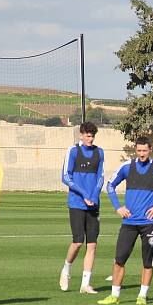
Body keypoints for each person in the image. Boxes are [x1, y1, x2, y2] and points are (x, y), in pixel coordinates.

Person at [97, 137, 153, 305]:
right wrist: (118, 207)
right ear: (136, 150)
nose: (142, 154)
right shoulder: (127, 167)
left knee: (147, 261)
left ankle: (142, 295)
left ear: (150, 150)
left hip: (149, 223)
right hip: (129, 222)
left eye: (145, 151)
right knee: (119, 259)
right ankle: (114, 295)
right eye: (139, 151)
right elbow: (110, 185)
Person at [59, 122, 104, 294]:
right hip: (77, 203)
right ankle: (66, 269)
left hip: (93, 204)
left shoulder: (99, 152)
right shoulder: (73, 152)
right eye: (87, 136)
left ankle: (85, 284)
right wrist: (84, 194)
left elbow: (101, 177)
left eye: (92, 136)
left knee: (92, 244)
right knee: (78, 242)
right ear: (81, 135)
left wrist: (93, 196)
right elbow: (65, 177)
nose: (90, 139)